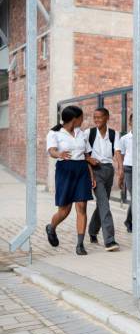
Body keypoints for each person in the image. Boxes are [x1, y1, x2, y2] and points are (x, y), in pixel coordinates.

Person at [45, 105, 95, 255]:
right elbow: (51, 151)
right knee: (64, 210)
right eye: (81, 117)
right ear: (74, 119)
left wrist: (91, 175)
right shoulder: (54, 133)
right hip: (65, 171)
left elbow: (86, 156)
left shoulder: (82, 133)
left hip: (81, 171)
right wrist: (59, 154)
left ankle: (80, 244)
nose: (83, 119)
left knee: (81, 207)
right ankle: (51, 227)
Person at [85, 108, 120, 252]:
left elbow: (117, 152)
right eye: (95, 117)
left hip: (108, 171)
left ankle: (92, 231)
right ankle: (110, 241)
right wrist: (89, 160)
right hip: (95, 171)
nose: (97, 120)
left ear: (107, 117)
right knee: (104, 204)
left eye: (100, 117)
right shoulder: (89, 133)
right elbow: (83, 153)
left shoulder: (113, 134)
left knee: (102, 204)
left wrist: (121, 170)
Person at [116, 114, 133, 233]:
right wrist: (121, 171)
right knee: (136, 197)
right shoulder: (125, 139)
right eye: (134, 121)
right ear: (130, 123)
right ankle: (130, 221)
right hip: (129, 169)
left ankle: (129, 220)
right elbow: (120, 155)